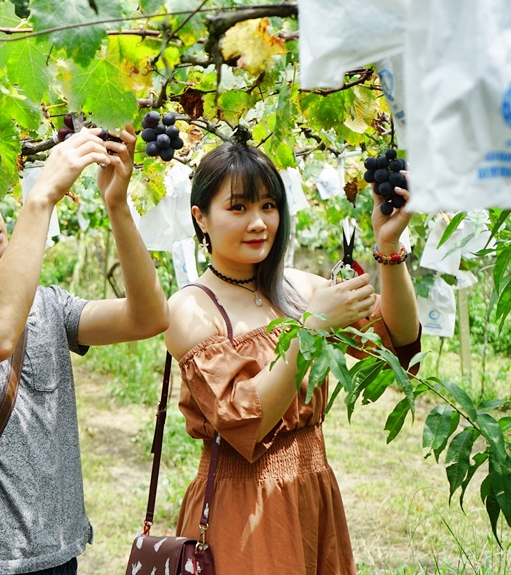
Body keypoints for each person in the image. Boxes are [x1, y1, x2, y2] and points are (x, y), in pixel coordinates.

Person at [0, 127, 169, 575]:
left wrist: (117, 205)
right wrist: (39, 201)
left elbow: (148, 318)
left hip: (57, 551)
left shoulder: (49, 303)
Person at [163, 141, 421, 574]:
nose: (259, 222)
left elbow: (398, 342)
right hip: (244, 508)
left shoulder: (296, 287)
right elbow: (247, 422)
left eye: (268, 205)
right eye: (238, 208)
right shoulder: (190, 309)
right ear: (200, 217)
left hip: (311, 486)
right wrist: (313, 326)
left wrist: (389, 247)